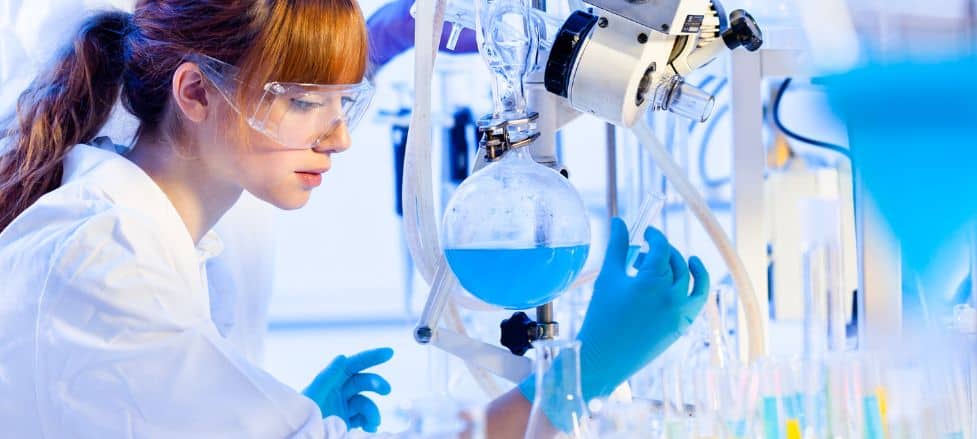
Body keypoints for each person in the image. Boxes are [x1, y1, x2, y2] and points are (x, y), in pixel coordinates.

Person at [0, 0, 709, 437]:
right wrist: (577, 380)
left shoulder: (127, 233)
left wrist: (271, 416)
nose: (338, 137)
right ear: (194, 92)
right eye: (306, 98)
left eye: (346, 102)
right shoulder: (108, 261)